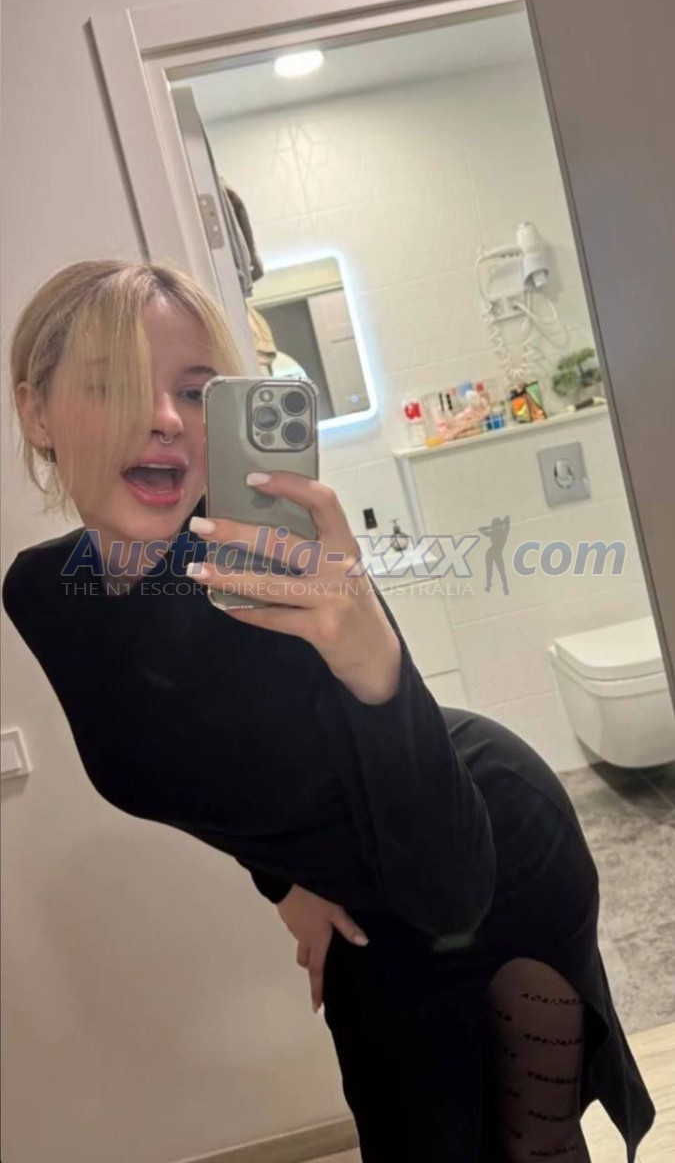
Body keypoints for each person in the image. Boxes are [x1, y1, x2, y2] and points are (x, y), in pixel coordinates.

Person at [2, 260, 654, 1163]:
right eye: (112, 385)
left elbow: (450, 887)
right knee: (411, 1133)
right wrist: (284, 885)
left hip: (487, 847)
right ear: (36, 412)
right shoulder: (42, 593)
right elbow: (185, 762)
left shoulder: (274, 575)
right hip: (365, 896)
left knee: (527, 1146)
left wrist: (372, 655)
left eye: (194, 391)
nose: (164, 419)